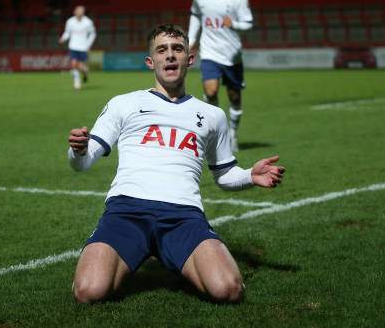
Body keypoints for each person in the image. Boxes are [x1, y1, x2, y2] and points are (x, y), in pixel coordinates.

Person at [67, 24, 285, 304]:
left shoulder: (212, 115)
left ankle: (172, 252)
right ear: (151, 62)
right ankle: (146, 251)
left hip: (183, 216)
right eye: (162, 50)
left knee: (228, 289)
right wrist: (78, 150)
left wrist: (249, 176)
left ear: (189, 59)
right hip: (127, 211)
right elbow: (81, 164)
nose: (170, 55)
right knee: (88, 291)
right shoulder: (124, 104)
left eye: (177, 49)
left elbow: (224, 174)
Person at [187, 0, 253, 153]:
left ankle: (233, 133)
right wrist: (191, 41)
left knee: (234, 97)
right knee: (211, 92)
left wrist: (235, 24)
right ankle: (215, 133)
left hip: (232, 55)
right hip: (209, 53)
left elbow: (248, 24)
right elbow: (196, 16)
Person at [58, 5, 96, 89]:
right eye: (78, 11)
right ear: (75, 12)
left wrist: (88, 44)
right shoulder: (70, 21)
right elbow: (67, 32)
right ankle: (77, 81)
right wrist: (63, 38)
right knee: (74, 64)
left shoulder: (88, 22)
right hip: (73, 46)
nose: (80, 12)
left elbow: (93, 34)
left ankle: (85, 72)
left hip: (83, 47)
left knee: (81, 66)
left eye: (82, 11)